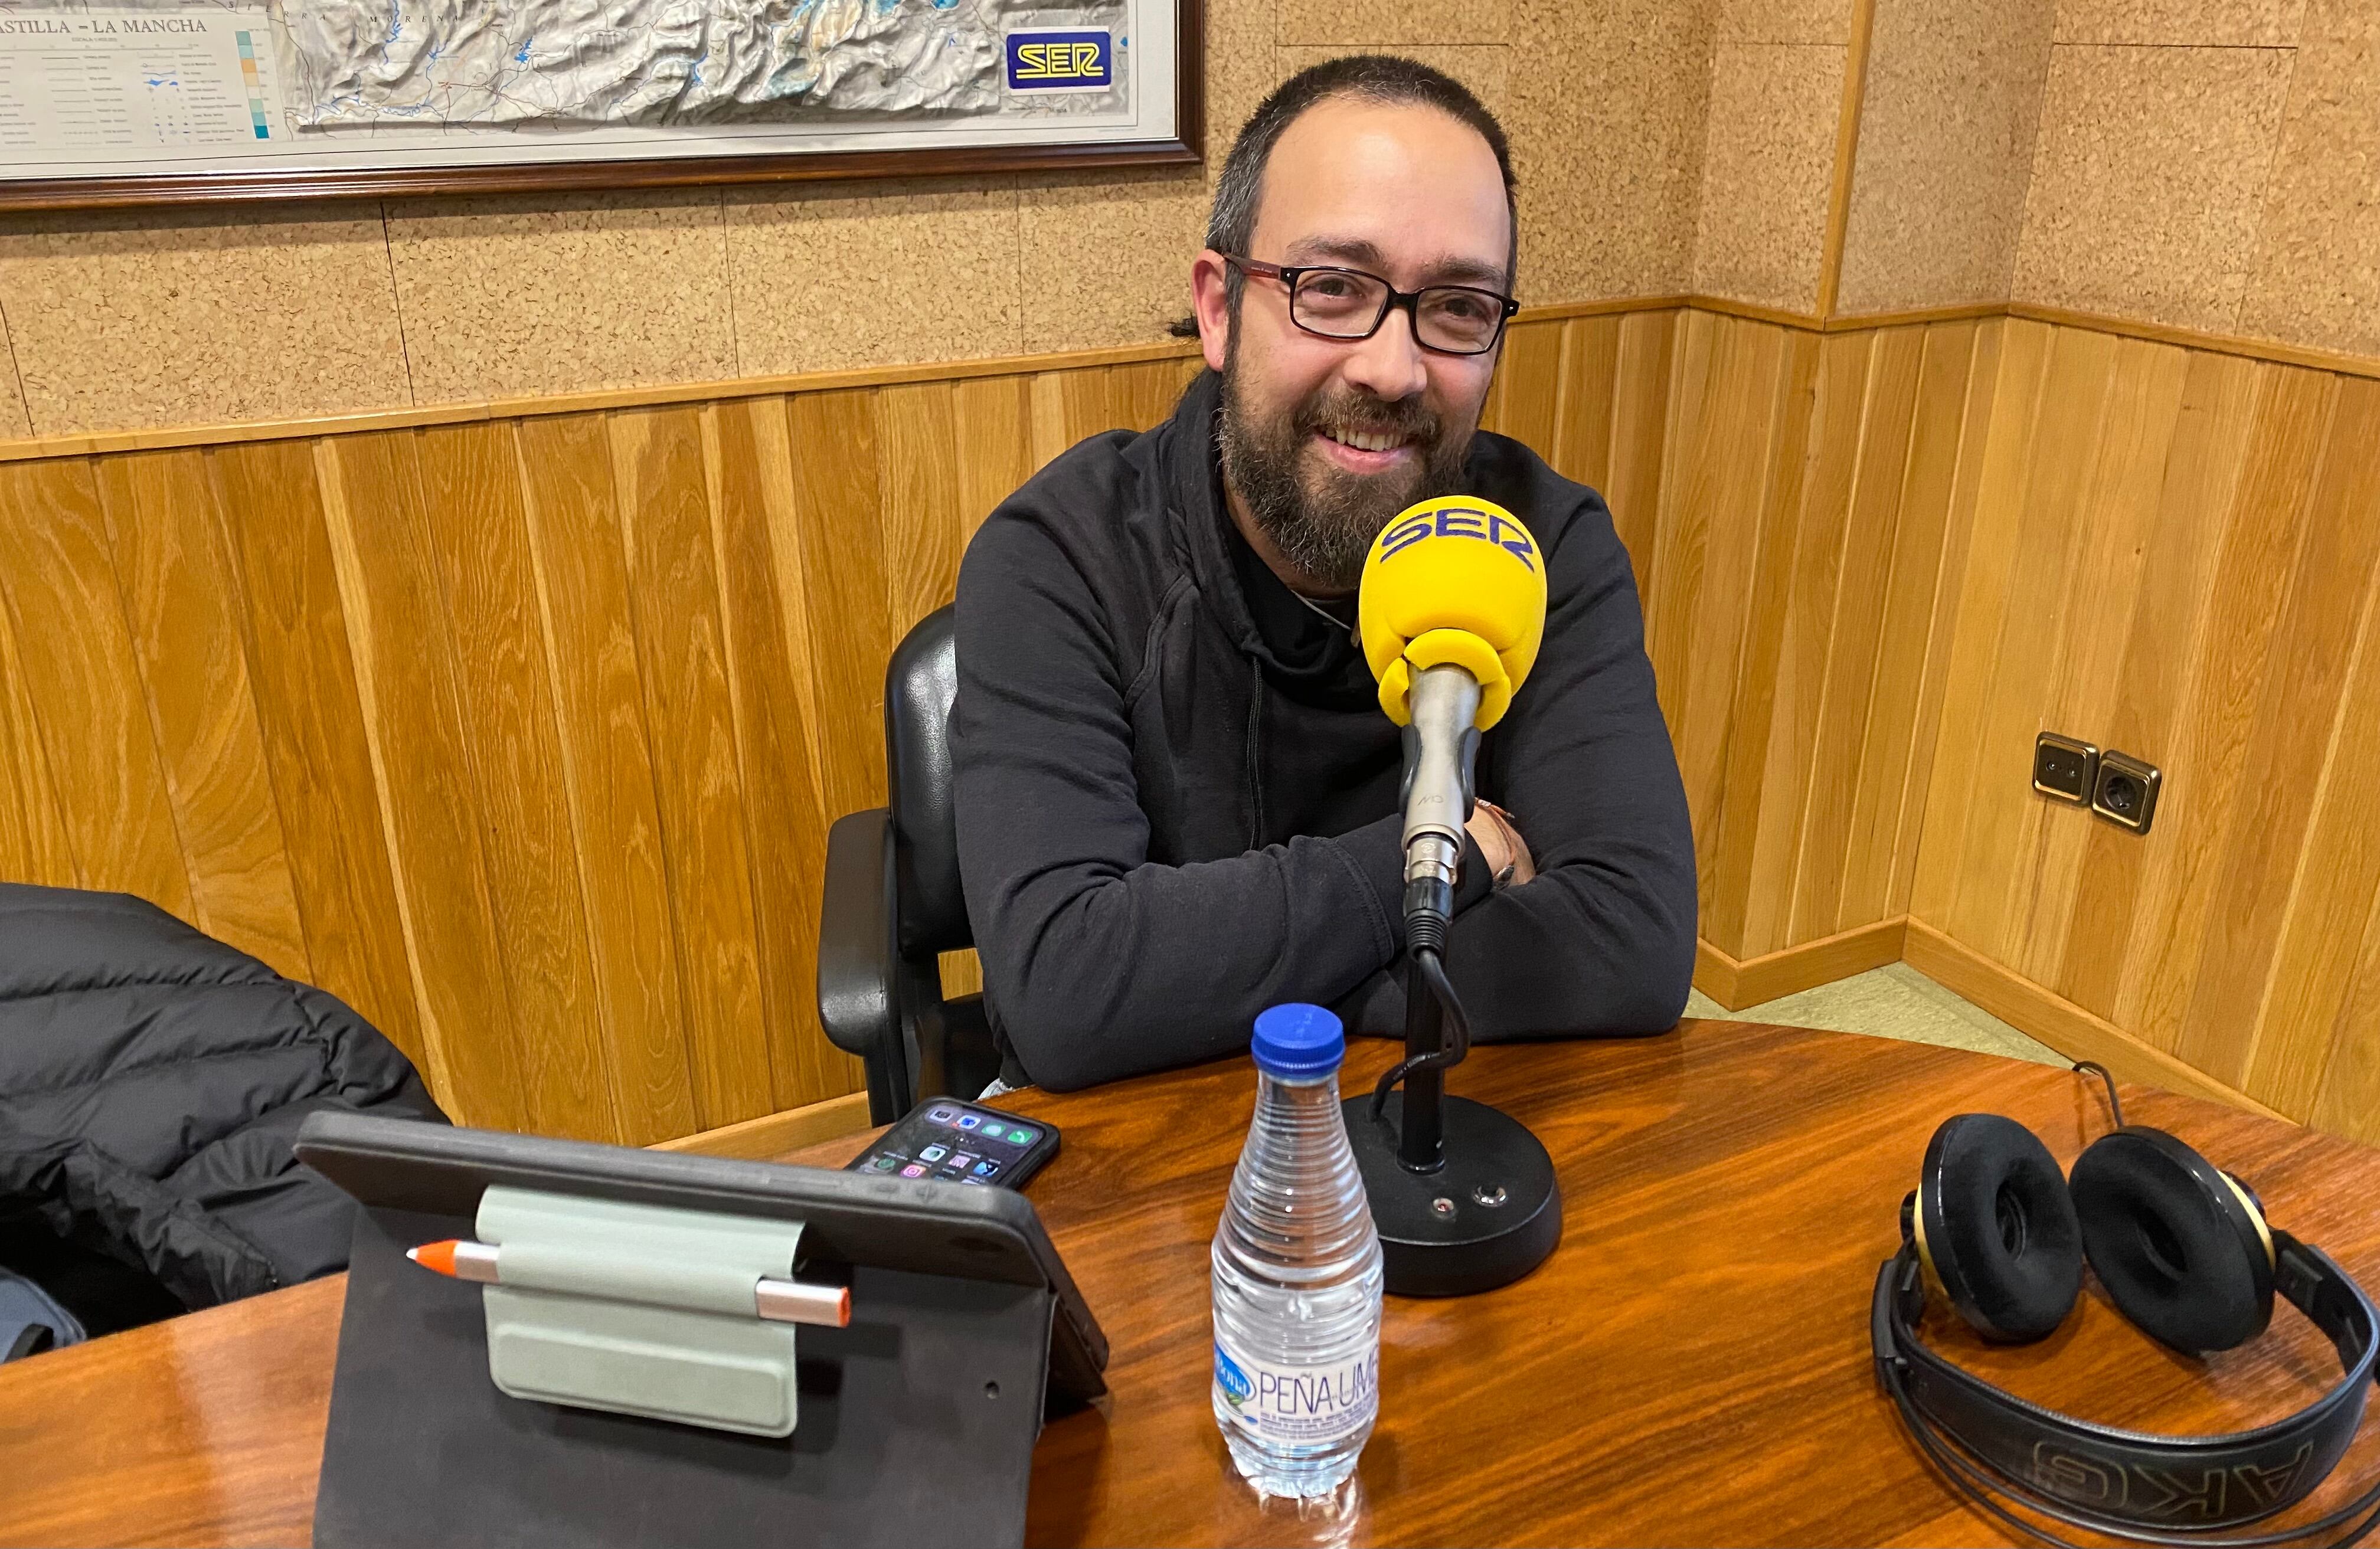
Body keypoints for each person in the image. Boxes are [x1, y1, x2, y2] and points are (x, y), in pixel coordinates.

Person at [950, 54, 1695, 1092]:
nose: (1393, 369)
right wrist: (1457, 862)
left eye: (1459, 308)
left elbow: (1635, 942)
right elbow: (1068, 987)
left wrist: (1196, 986)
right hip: (1141, 1160)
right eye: (1332, 288)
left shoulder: (1544, 543)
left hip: (1442, 1129)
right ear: (1219, 308)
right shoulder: (1061, 557)